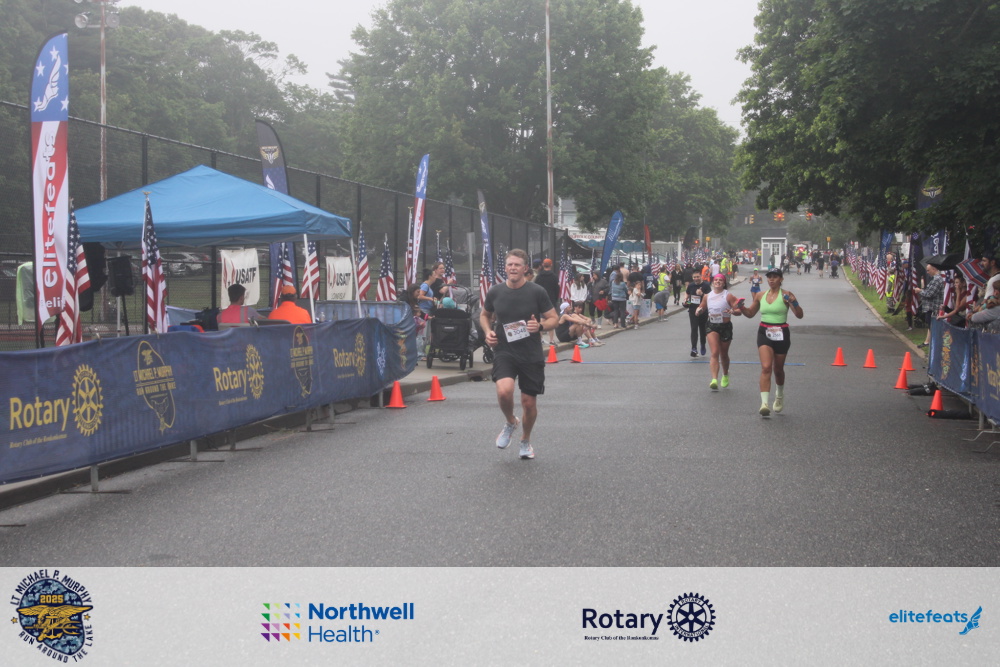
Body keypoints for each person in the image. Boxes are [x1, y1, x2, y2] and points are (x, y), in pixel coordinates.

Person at [481, 249, 559, 460]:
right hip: (504, 350)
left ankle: (525, 440)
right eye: (510, 265)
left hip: (530, 353)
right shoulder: (496, 291)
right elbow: (485, 315)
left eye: (517, 265)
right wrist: (488, 332)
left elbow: (554, 318)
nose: (513, 268)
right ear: (505, 268)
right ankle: (510, 422)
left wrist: (540, 326)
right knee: (504, 391)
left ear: (525, 268)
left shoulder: (537, 291)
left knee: (528, 403)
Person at [740, 268, 804, 417]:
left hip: (781, 333)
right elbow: (750, 313)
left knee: (778, 369)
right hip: (764, 332)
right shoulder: (760, 295)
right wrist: (741, 307)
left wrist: (794, 303)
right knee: (766, 367)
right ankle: (764, 403)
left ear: (781, 279)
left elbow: (799, 315)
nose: (771, 279)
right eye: (769, 277)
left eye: (775, 277)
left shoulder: (787, 295)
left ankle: (779, 395)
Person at [695, 273, 744, 390]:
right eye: (716, 280)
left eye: (720, 280)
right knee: (715, 352)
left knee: (724, 354)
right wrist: (698, 311)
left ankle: (725, 374)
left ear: (724, 283)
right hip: (712, 325)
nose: (718, 282)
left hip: (725, 326)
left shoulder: (728, 296)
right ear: (713, 282)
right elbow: (701, 308)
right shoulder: (707, 296)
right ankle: (714, 379)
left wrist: (733, 311)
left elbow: (739, 311)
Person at [914, 263, 945, 347]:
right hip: (931, 307)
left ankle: (934, 343)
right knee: (930, 325)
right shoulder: (935, 279)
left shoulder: (937, 280)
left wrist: (920, 291)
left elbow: (929, 294)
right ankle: (927, 342)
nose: (927, 272)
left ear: (934, 269)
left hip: (933, 307)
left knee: (932, 325)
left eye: (928, 270)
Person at [533, 258, 560, 346]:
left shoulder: (539, 276)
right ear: (551, 265)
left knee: (541, 319)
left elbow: (536, 288)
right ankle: (551, 339)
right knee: (551, 318)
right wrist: (555, 299)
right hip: (551, 300)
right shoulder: (554, 276)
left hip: (540, 300)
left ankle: (541, 339)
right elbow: (557, 289)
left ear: (543, 265)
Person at [684, 270, 709, 357]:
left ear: (701, 276)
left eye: (698, 277)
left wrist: (702, 294)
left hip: (703, 310)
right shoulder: (691, 285)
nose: (696, 279)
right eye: (694, 277)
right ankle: (694, 348)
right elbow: (687, 295)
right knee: (694, 329)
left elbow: (710, 297)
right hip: (692, 310)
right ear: (692, 278)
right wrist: (686, 301)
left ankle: (703, 344)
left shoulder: (706, 285)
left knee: (702, 330)